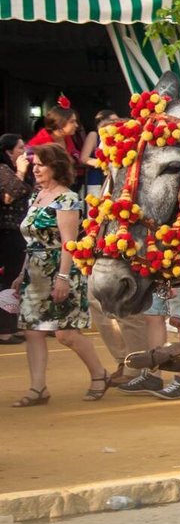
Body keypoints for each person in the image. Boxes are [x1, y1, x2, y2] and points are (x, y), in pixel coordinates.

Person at [7, 143, 109, 406]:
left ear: (56, 167)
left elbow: (68, 242)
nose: (35, 168)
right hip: (34, 272)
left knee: (66, 333)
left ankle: (99, 373)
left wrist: (62, 278)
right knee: (32, 331)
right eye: (35, 164)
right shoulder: (35, 196)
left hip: (61, 269)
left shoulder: (68, 199)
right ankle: (38, 388)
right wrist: (21, 274)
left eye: (41, 164)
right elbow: (31, 240)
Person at [0, 134, 31, 345]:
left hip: (15, 233)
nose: (24, 151)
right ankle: (5, 329)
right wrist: (20, 171)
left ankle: (10, 325)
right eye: (20, 148)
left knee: (12, 279)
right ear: (9, 152)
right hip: (7, 233)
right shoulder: (3, 170)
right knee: (8, 280)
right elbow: (8, 197)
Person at [26, 103, 81, 183]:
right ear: (60, 123)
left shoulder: (67, 137)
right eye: (72, 122)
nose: (76, 125)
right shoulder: (40, 142)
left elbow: (74, 154)